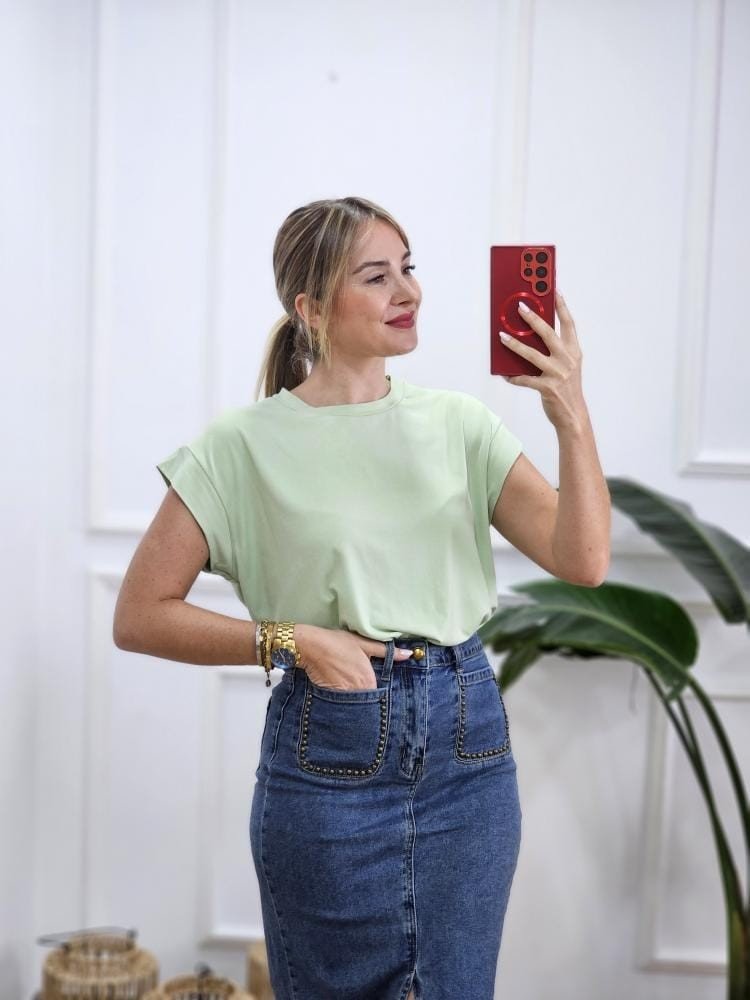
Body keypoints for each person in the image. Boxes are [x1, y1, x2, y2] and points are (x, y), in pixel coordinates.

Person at [113, 196, 610, 999]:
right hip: (329, 752)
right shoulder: (240, 447)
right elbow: (139, 614)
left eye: (408, 268)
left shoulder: (459, 424)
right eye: (376, 277)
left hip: (467, 752)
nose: (408, 291)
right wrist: (292, 640)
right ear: (310, 309)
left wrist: (571, 415)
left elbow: (583, 560)